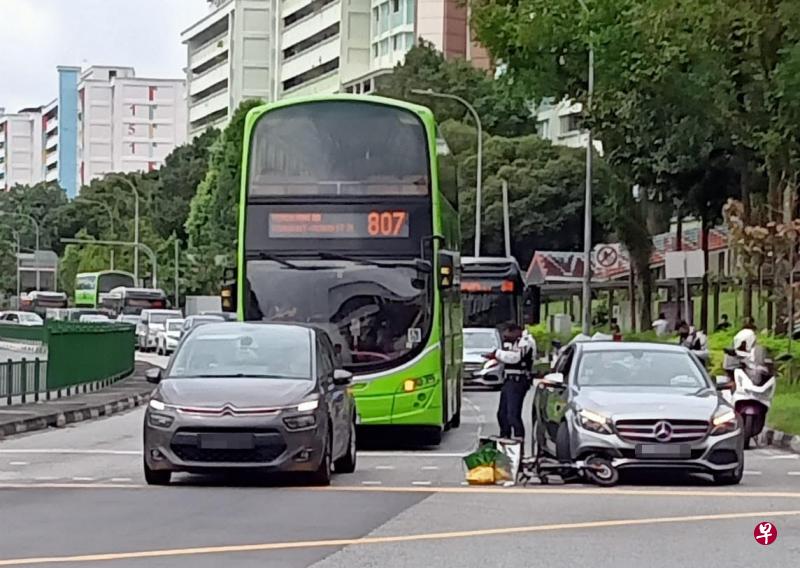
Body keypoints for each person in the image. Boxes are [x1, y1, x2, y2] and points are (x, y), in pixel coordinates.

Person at [491, 323, 536, 443]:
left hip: (518, 380)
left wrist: (497, 354)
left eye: (507, 333)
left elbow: (515, 357)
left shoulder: (526, 341)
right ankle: (504, 436)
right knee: (502, 414)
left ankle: (518, 438)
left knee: (513, 414)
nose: (506, 337)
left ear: (516, 331)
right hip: (508, 379)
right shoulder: (514, 342)